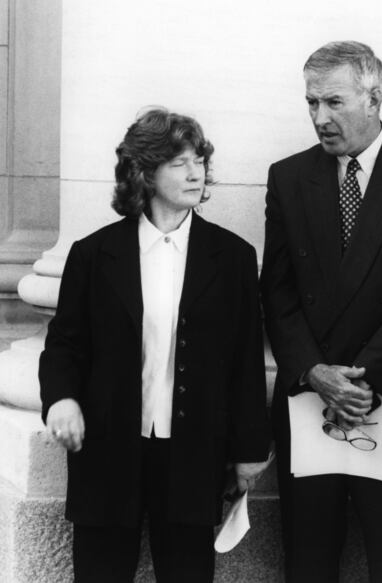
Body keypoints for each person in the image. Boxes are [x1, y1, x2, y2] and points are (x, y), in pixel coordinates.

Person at [39, 108, 271, 582]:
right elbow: (64, 345)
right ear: (144, 172)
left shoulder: (233, 258)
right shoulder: (93, 254)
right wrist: (60, 399)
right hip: (107, 452)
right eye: (179, 161)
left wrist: (250, 450)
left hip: (194, 454)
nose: (195, 172)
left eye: (199, 159)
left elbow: (246, 363)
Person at [260, 41, 382, 582]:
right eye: (311, 103)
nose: (320, 118)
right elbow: (276, 292)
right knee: (308, 561)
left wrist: (360, 380)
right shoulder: (287, 177)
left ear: (374, 98)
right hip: (311, 400)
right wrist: (315, 372)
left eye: (333, 103)